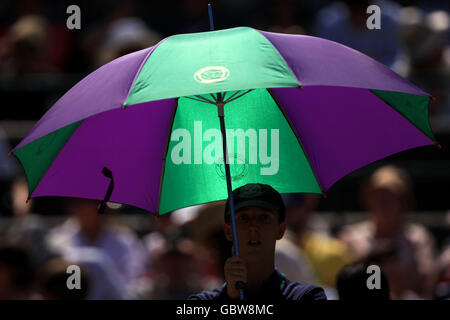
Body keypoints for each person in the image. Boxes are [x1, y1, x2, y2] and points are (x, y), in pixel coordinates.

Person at [188, 183, 327, 301]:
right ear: (228, 231)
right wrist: (230, 298)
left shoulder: (308, 296)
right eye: (243, 218)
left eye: (264, 218)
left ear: (281, 230)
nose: (253, 227)